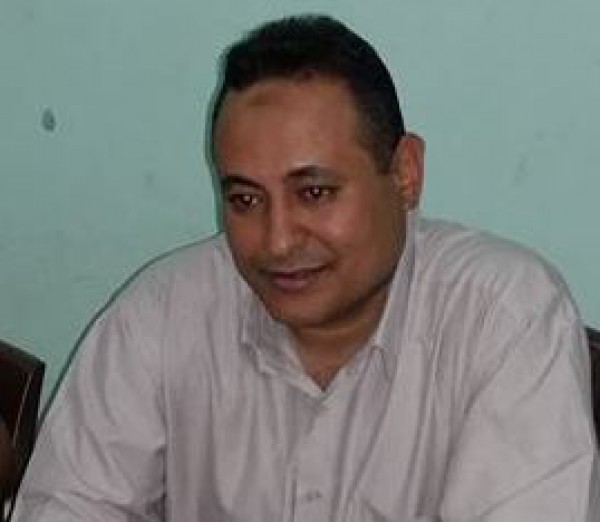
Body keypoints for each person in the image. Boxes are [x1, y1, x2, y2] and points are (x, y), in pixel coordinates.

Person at [13, 14, 598, 521]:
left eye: (314, 193)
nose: (278, 241)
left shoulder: (504, 318)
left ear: (405, 173)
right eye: (245, 199)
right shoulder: (163, 314)